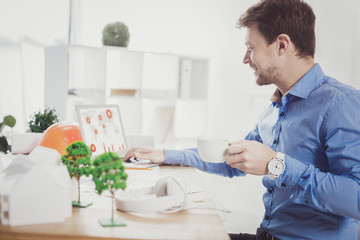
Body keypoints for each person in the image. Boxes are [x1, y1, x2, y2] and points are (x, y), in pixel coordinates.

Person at [124, 0, 360, 239]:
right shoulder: (275, 107)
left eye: (250, 47)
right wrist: (165, 155)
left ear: (281, 44)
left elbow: (357, 198)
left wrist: (275, 165)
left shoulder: (342, 104)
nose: (245, 59)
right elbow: (233, 160)